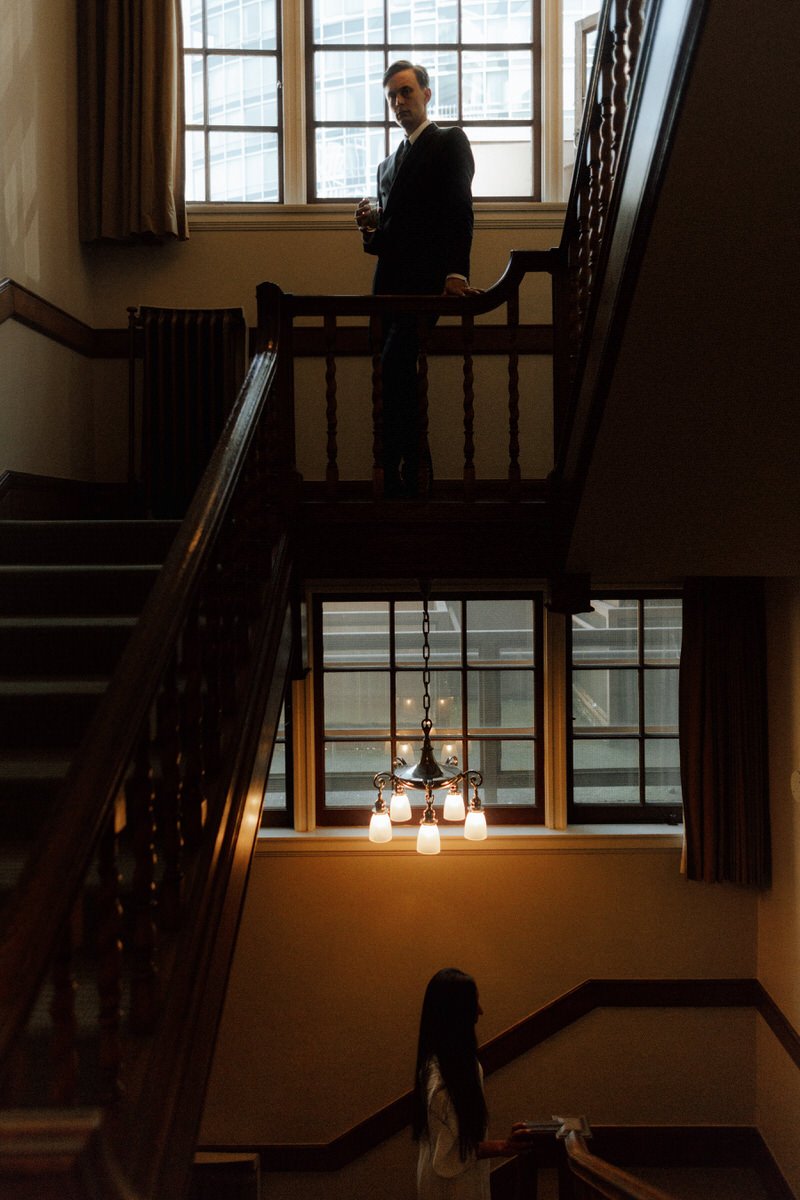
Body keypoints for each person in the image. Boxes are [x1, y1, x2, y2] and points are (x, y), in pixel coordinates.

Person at [355, 62, 481, 498]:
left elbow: (459, 211)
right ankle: (405, 463)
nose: (398, 102)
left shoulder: (449, 142)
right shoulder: (386, 166)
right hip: (386, 285)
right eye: (391, 95)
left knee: (394, 366)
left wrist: (455, 273)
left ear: (427, 94)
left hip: (426, 284)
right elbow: (385, 240)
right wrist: (370, 229)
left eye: (406, 91)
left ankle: (406, 463)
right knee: (392, 374)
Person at [413, 968, 536, 1200]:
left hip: (458, 1181)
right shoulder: (440, 1078)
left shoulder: (460, 1065)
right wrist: (503, 1147)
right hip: (450, 1188)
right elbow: (447, 1154)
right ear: (456, 1014)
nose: (480, 1011)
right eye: (474, 1004)